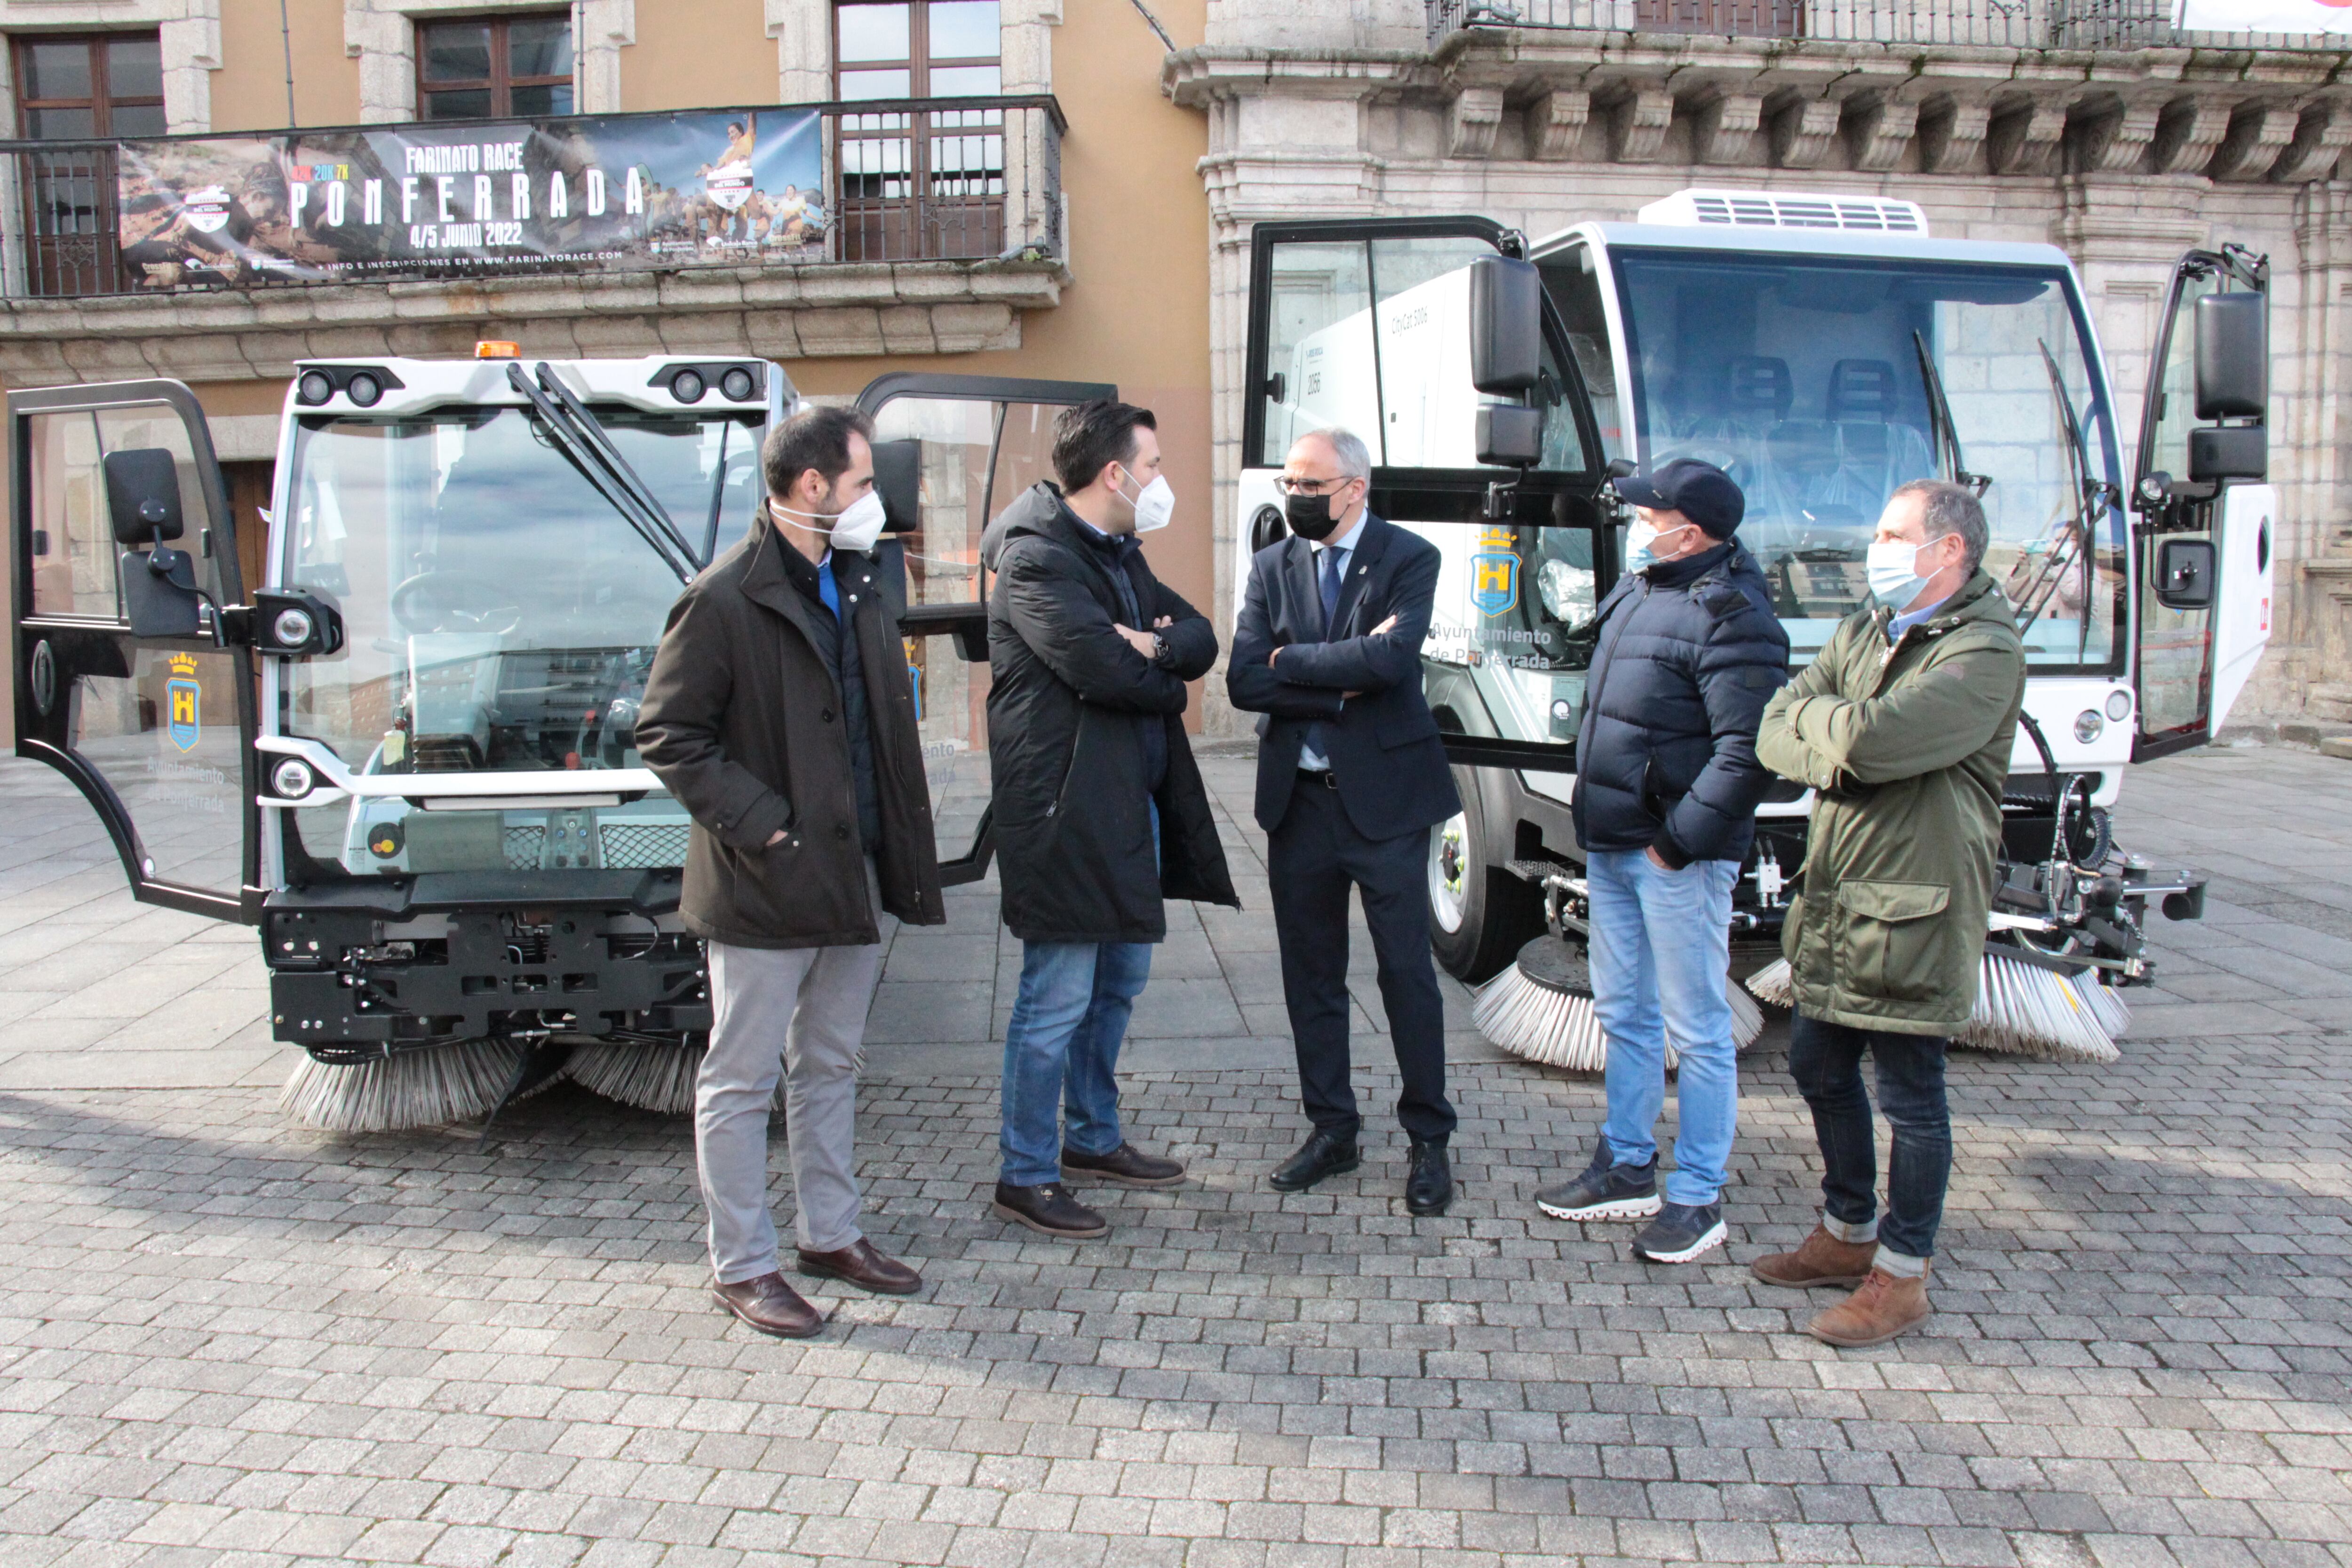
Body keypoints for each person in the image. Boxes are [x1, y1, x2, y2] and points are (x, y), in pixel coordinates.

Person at [636, 406, 946, 1338]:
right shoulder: (724, 594)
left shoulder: (852, 580)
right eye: (860, 486)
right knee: (739, 1080)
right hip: (764, 882)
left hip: (850, 873)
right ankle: (742, 1263)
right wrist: (763, 826)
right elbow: (668, 734)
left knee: (830, 1064)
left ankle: (831, 1233)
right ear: (811, 488)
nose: (872, 504)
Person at [1752, 478, 2024, 1346]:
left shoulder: (1982, 651)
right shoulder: (1869, 626)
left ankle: (1902, 1276)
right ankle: (1846, 1230)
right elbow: (1772, 727)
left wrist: (1832, 737)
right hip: (1839, 899)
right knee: (1818, 1066)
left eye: (1892, 531)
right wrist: (1843, 739)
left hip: (1915, 911)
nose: (1874, 545)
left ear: (1949, 550)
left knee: (1913, 1098)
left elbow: (1875, 745)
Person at [980, 399, 1237, 1240]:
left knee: (1118, 983)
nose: (1162, 480)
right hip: (1064, 813)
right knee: (1054, 998)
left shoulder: (1121, 551)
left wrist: (1155, 647)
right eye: (1155, 465)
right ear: (1115, 474)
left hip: (1129, 806)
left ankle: (1091, 1137)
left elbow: (1200, 635)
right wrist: (1156, 671)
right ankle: (1026, 1172)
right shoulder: (1036, 559)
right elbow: (1100, 669)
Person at [1533, 458, 1788, 1264]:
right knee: (1625, 1015)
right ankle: (1627, 1163)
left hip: (1675, 856)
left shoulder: (1736, 616)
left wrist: (1677, 842)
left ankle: (1697, 1194)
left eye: (1650, 515)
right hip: (1613, 843)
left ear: (1694, 529)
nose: (1638, 525)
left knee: (1698, 1029)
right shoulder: (1643, 589)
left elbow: (1749, 754)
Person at [1226, 427, 1462, 1217]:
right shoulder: (1271, 565)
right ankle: (1334, 1129)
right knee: (1312, 977)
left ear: (1354, 488)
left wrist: (1289, 662)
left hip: (1388, 805)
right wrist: (1334, 681)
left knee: (1406, 976)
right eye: (1288, 480)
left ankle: (1429, 1139)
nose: (1293, 495)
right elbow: (1241, 682)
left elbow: (1392, 666)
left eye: (1309, 482)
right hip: (1300, 806)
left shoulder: (1409, 558)